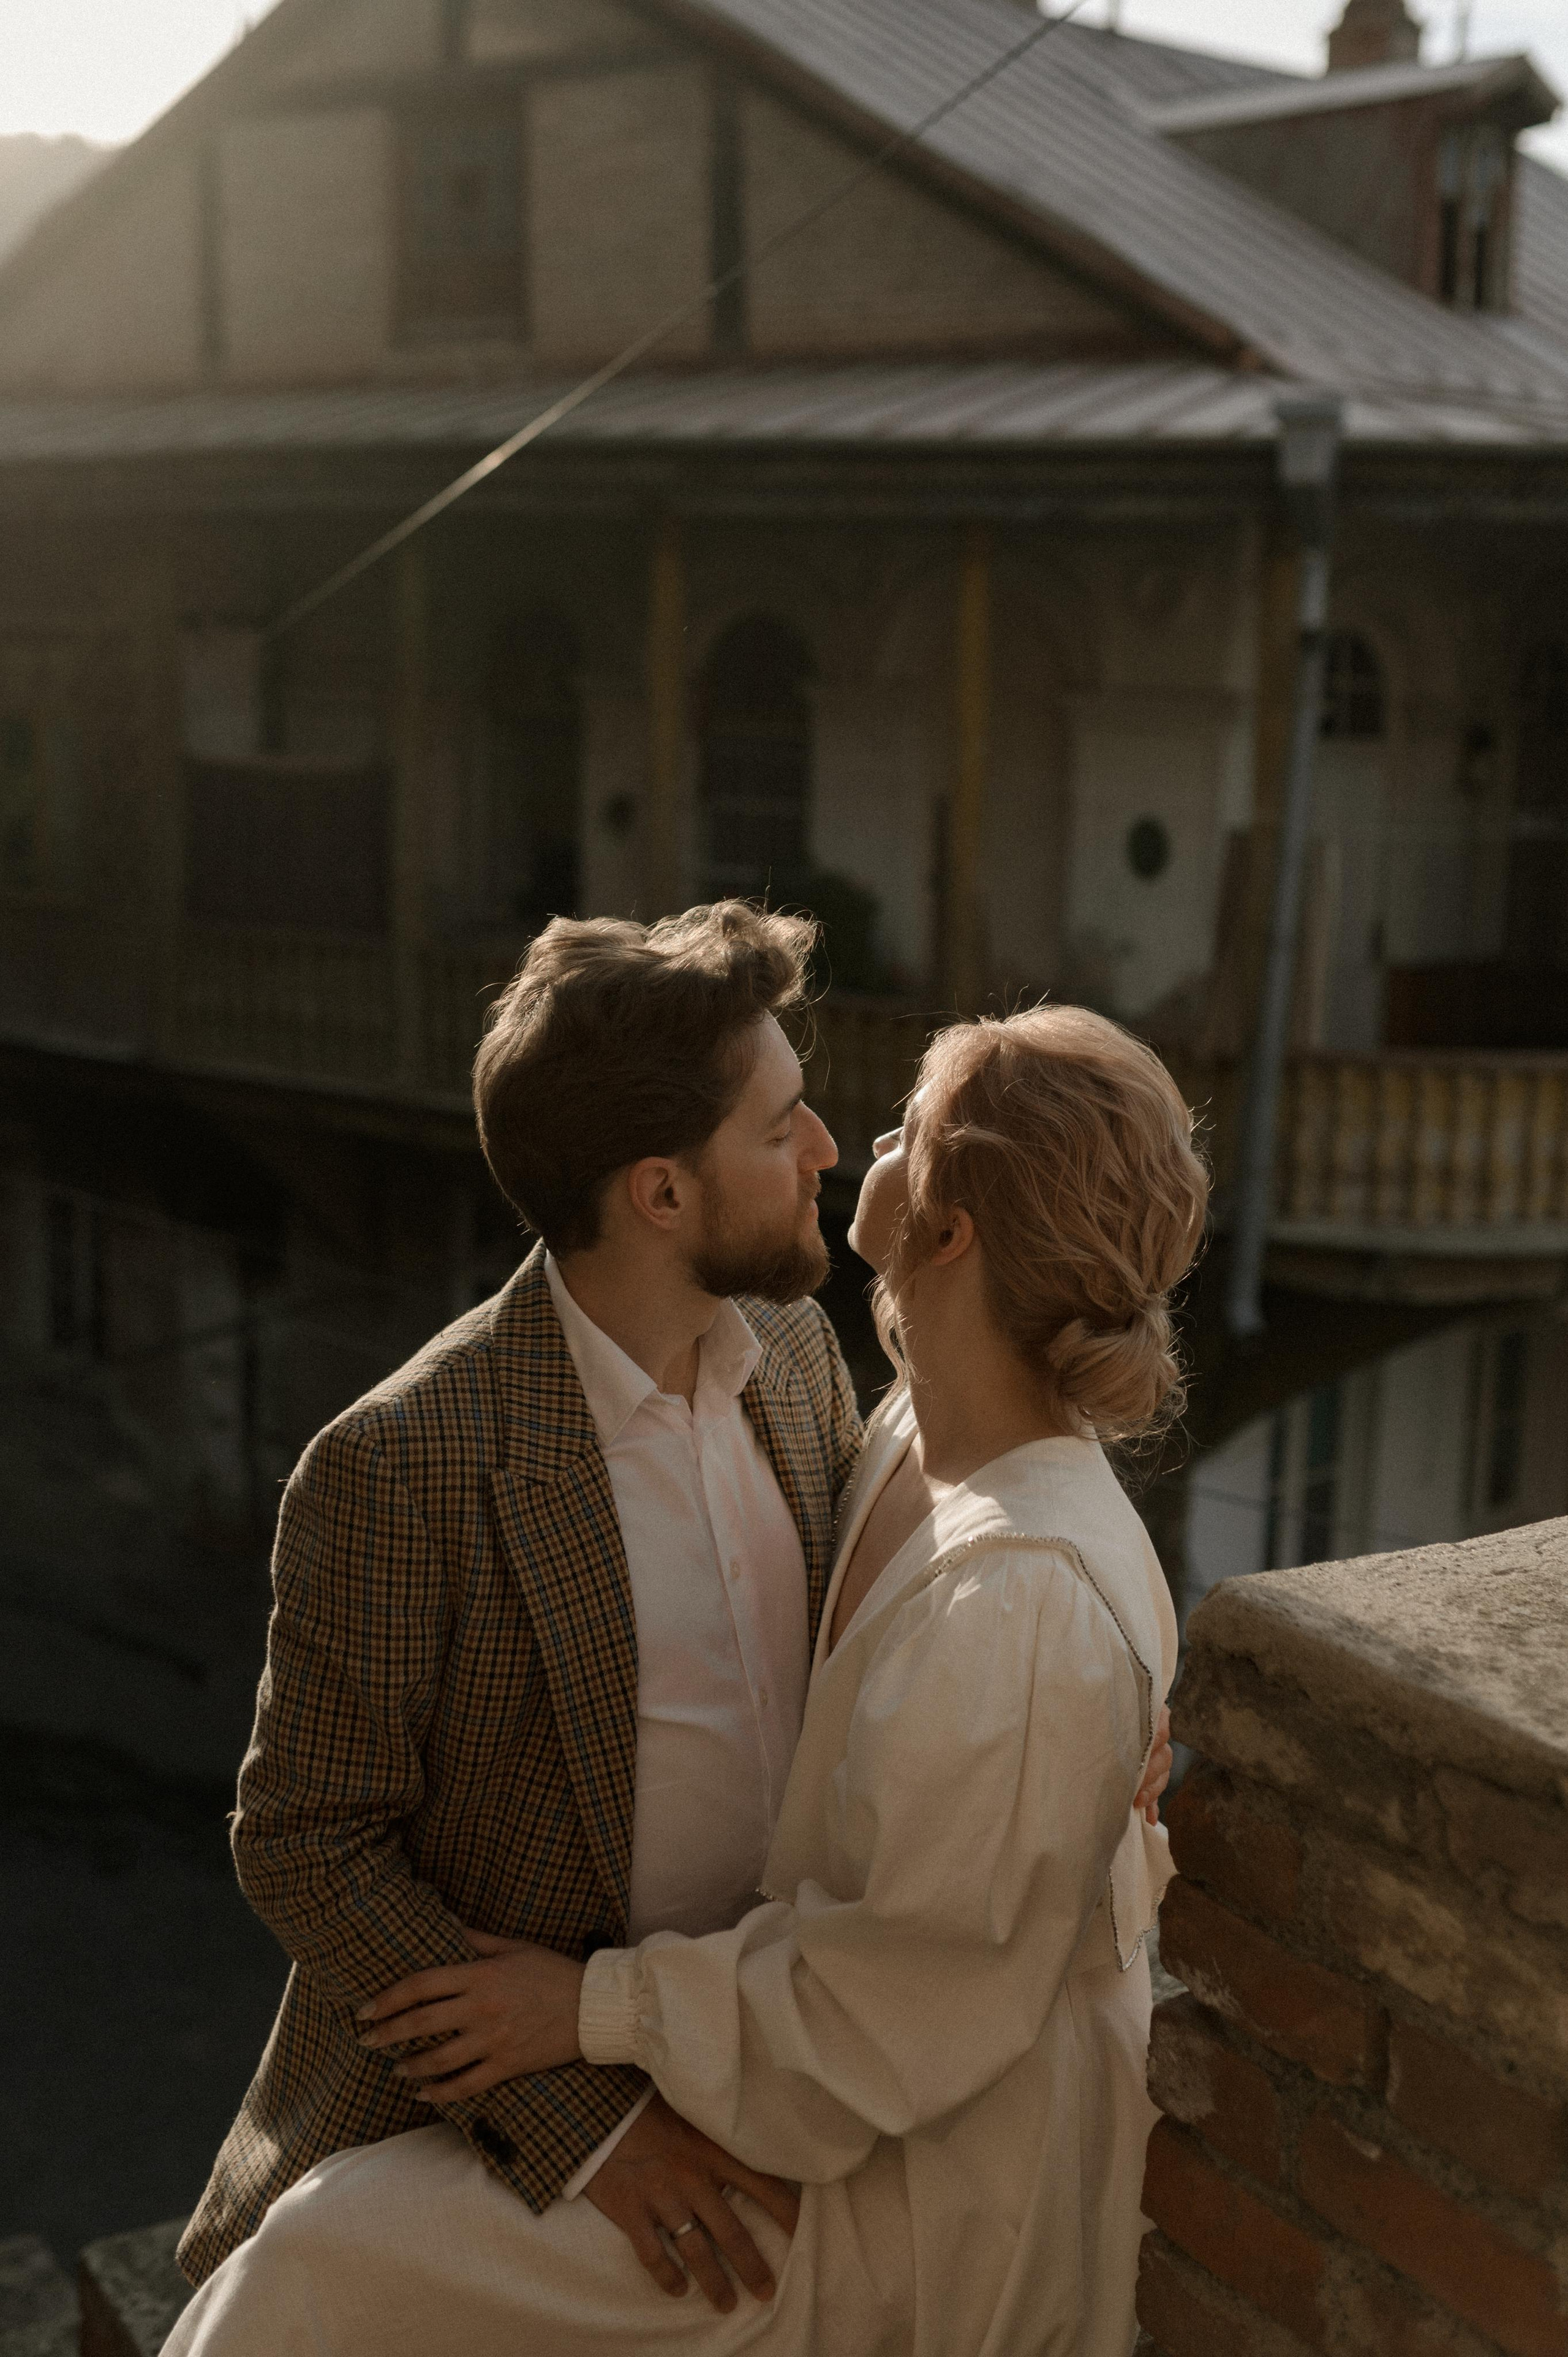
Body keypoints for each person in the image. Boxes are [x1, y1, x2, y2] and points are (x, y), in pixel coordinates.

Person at [167, 998, 1201, 2357]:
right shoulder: (898, 1423)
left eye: (901, 1127)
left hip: (918, 2161)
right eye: (786, 1124)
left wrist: (591, 2009)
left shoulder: (1013, 1589)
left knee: (319, 2272)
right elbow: (307, 1837)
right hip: (775, 2068)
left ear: (949, 1233)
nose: (836, 1143)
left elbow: (895, 2004)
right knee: (311, 2256)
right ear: (660, 1193)